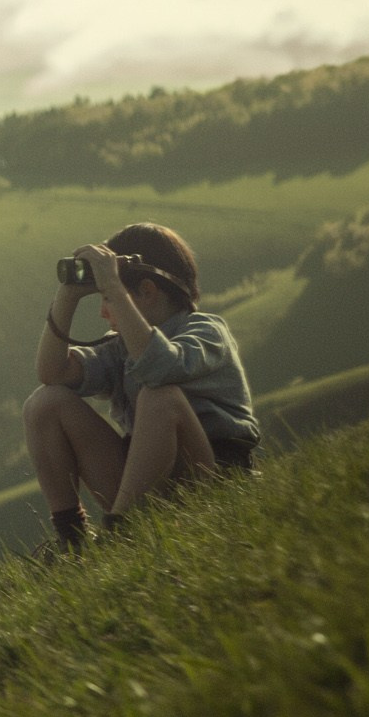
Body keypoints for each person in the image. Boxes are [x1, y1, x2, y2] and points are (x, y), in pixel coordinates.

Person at [24, 221, 259, 554]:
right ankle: (72, 540)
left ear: (147, 292)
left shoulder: (207, 331)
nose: (105, 312)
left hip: (212, 479)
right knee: (44, 404)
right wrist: (69, 294)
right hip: (147, 486)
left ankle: (117, 534)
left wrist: (114, 288)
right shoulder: (121, 348)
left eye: (109, 299)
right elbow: (52, 372)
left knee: (160, 396)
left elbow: (160, 367)